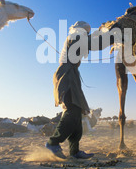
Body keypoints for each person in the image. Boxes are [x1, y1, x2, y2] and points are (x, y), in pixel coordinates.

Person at [46, 21, 113, 159]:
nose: (88, 33)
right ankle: (53, 142)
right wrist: (113, 36)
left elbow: (92, 41)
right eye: (87, 31)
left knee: (77, 113)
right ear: (82, 30)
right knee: (72, 110)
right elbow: (95, 44)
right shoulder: (76, 37)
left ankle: (74, 151)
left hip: (72, 75)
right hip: (67, 75)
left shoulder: (76, 38)